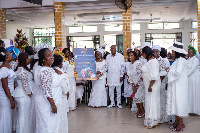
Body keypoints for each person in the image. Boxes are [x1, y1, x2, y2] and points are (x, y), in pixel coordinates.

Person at [34, 48, 62, 133]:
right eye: (48, 56)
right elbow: (46, 88)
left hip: (50, 99)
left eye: (52, 55)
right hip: (47, 101)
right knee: (48, 124)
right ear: (43, 58)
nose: (51, 57)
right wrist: (52, 104)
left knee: (51, 123)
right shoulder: (45, 71)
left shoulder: (47, 69)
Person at [166, 42, 189, 132]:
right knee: (175, 103)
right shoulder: (177, 60)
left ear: (177, 51)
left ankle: (181, 123)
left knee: (179, 104)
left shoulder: (182, 61)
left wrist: (169, 70)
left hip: (180, 86)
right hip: (175, 85)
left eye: (173, 51)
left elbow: (177, 73)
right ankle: (176, 121)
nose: (172, 53)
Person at [13, 52, 33, 133]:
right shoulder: (23, 71)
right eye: (28, 58)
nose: (29, 60)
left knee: (21, 114)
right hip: (23, 95)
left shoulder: (18, 69)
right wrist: (30, 94)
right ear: (24, 60)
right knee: (24, 115)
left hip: (18, 93)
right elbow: (25, 85)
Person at [141, 46, 161, 129]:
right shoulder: (149, 61)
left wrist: (150, 86)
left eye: (143, 53)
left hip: (152, 85)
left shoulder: (153, 62)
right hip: (148, 84)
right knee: (150, 102)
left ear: (146, 53)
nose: (142, 55)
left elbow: (155, 75)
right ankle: (151, 120)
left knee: (152, 102)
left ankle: (153, 122)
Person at [52, 54, 69, 133]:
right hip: (61, 97)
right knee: (62, 116)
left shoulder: (51, 70)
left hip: (53, 96)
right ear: (59, 63)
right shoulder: (61, 74)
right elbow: (65, 89)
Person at [152, 45, 169, 123]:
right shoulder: (151, 60)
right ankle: (155, 116)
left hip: (161, 83)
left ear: (159, 52)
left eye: (156, 51)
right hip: (153, 83)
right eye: (154, 51)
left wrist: (159, 82)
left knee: (161, 100)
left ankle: (162, 117)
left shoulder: (163, 61)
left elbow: (164, 73)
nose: (155, 53)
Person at [0, 50, 16, 133]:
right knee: (5, 114)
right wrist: (11, 100)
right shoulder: (3, 69)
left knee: (10, 114)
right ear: (6, 57)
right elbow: (5, 87)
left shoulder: (8, 67)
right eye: (10, 54)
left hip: (10, 93)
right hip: (5, 95)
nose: (12, 55)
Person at [127, 51, 145, 118]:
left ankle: (143, 111)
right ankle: (139, 110)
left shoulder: (138, 63)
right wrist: (133, 84)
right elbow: (130, 75)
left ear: (135, 56)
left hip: (140, 83)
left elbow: (140, 75)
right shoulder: (130, 64)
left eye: (132, 55)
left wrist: (136, 85)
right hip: (134, 83)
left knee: (138, 97)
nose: (130, 57)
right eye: (129, 56)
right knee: (135, 98)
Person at [187, 45, 200, 115]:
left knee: (194, 93)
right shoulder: (188, 59)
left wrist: (184, 76)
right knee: (190, 94)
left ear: (194, 53)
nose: (189, 53)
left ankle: (195, 110)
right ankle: (190, 109)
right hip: (189, 79)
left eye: (191, 52)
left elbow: (191, 70)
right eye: (189, 52)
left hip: (194, 79)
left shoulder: (195, 60)